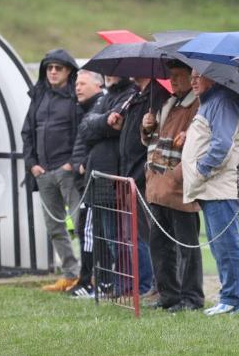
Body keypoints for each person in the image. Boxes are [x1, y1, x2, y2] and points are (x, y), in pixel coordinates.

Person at [182, 70, 239, 315]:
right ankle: (227, 298)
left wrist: (201, 169)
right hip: (212, 187)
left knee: (226, 246)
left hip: (220, 186)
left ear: (215, 75)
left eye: (200, 75)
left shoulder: (222, 100)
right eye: (192, 75)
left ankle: (232, 300)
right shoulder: (213, 100)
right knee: (220, 246)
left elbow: (222, 143)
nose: (193, 80)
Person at [140, 60, 201, 312]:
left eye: (179, 76)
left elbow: (199, 144)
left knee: (187, 247)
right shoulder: (168, 104)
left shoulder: (197, 106)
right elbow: (152, 142)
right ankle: (168, 295)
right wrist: (147, 128)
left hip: (179, 188)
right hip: (157, 187)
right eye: (171, 76)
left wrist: (176, 176)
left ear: (191, 77)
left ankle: (191, 298)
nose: (173, 80)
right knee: (160, 246)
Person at [21, 48, 83, 292]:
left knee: (79, 225)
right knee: (55, 228)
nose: (53, 72)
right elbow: (27, 133)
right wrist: (32, 165)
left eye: (59, 68)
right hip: (43, 173)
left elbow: (82, 133)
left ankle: (87, 276)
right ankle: (69, 274)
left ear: (69, 71)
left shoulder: (75, 98)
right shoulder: (38, 96)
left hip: (67, 172)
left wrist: (71, 163)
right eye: (49, 68)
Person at [108, 76, 170, 299]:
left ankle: (160, 284)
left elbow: (152, 135)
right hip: (130, 173)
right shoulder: (135, 95)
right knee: (144, 234)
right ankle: (156, 284)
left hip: (144, 174)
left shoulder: (156, 95)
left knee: (155, 234)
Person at [67, 70, 105, 297]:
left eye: (82, 83)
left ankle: (89, 281)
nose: (77, 87)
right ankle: (89, 280)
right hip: (84, 178)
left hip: (92, 178)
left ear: (97, 85)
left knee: (89, 231)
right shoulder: (85, 108)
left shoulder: (100, 105)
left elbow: (97, 140)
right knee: (86, 230)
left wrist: (84, 163)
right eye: (76, 84)